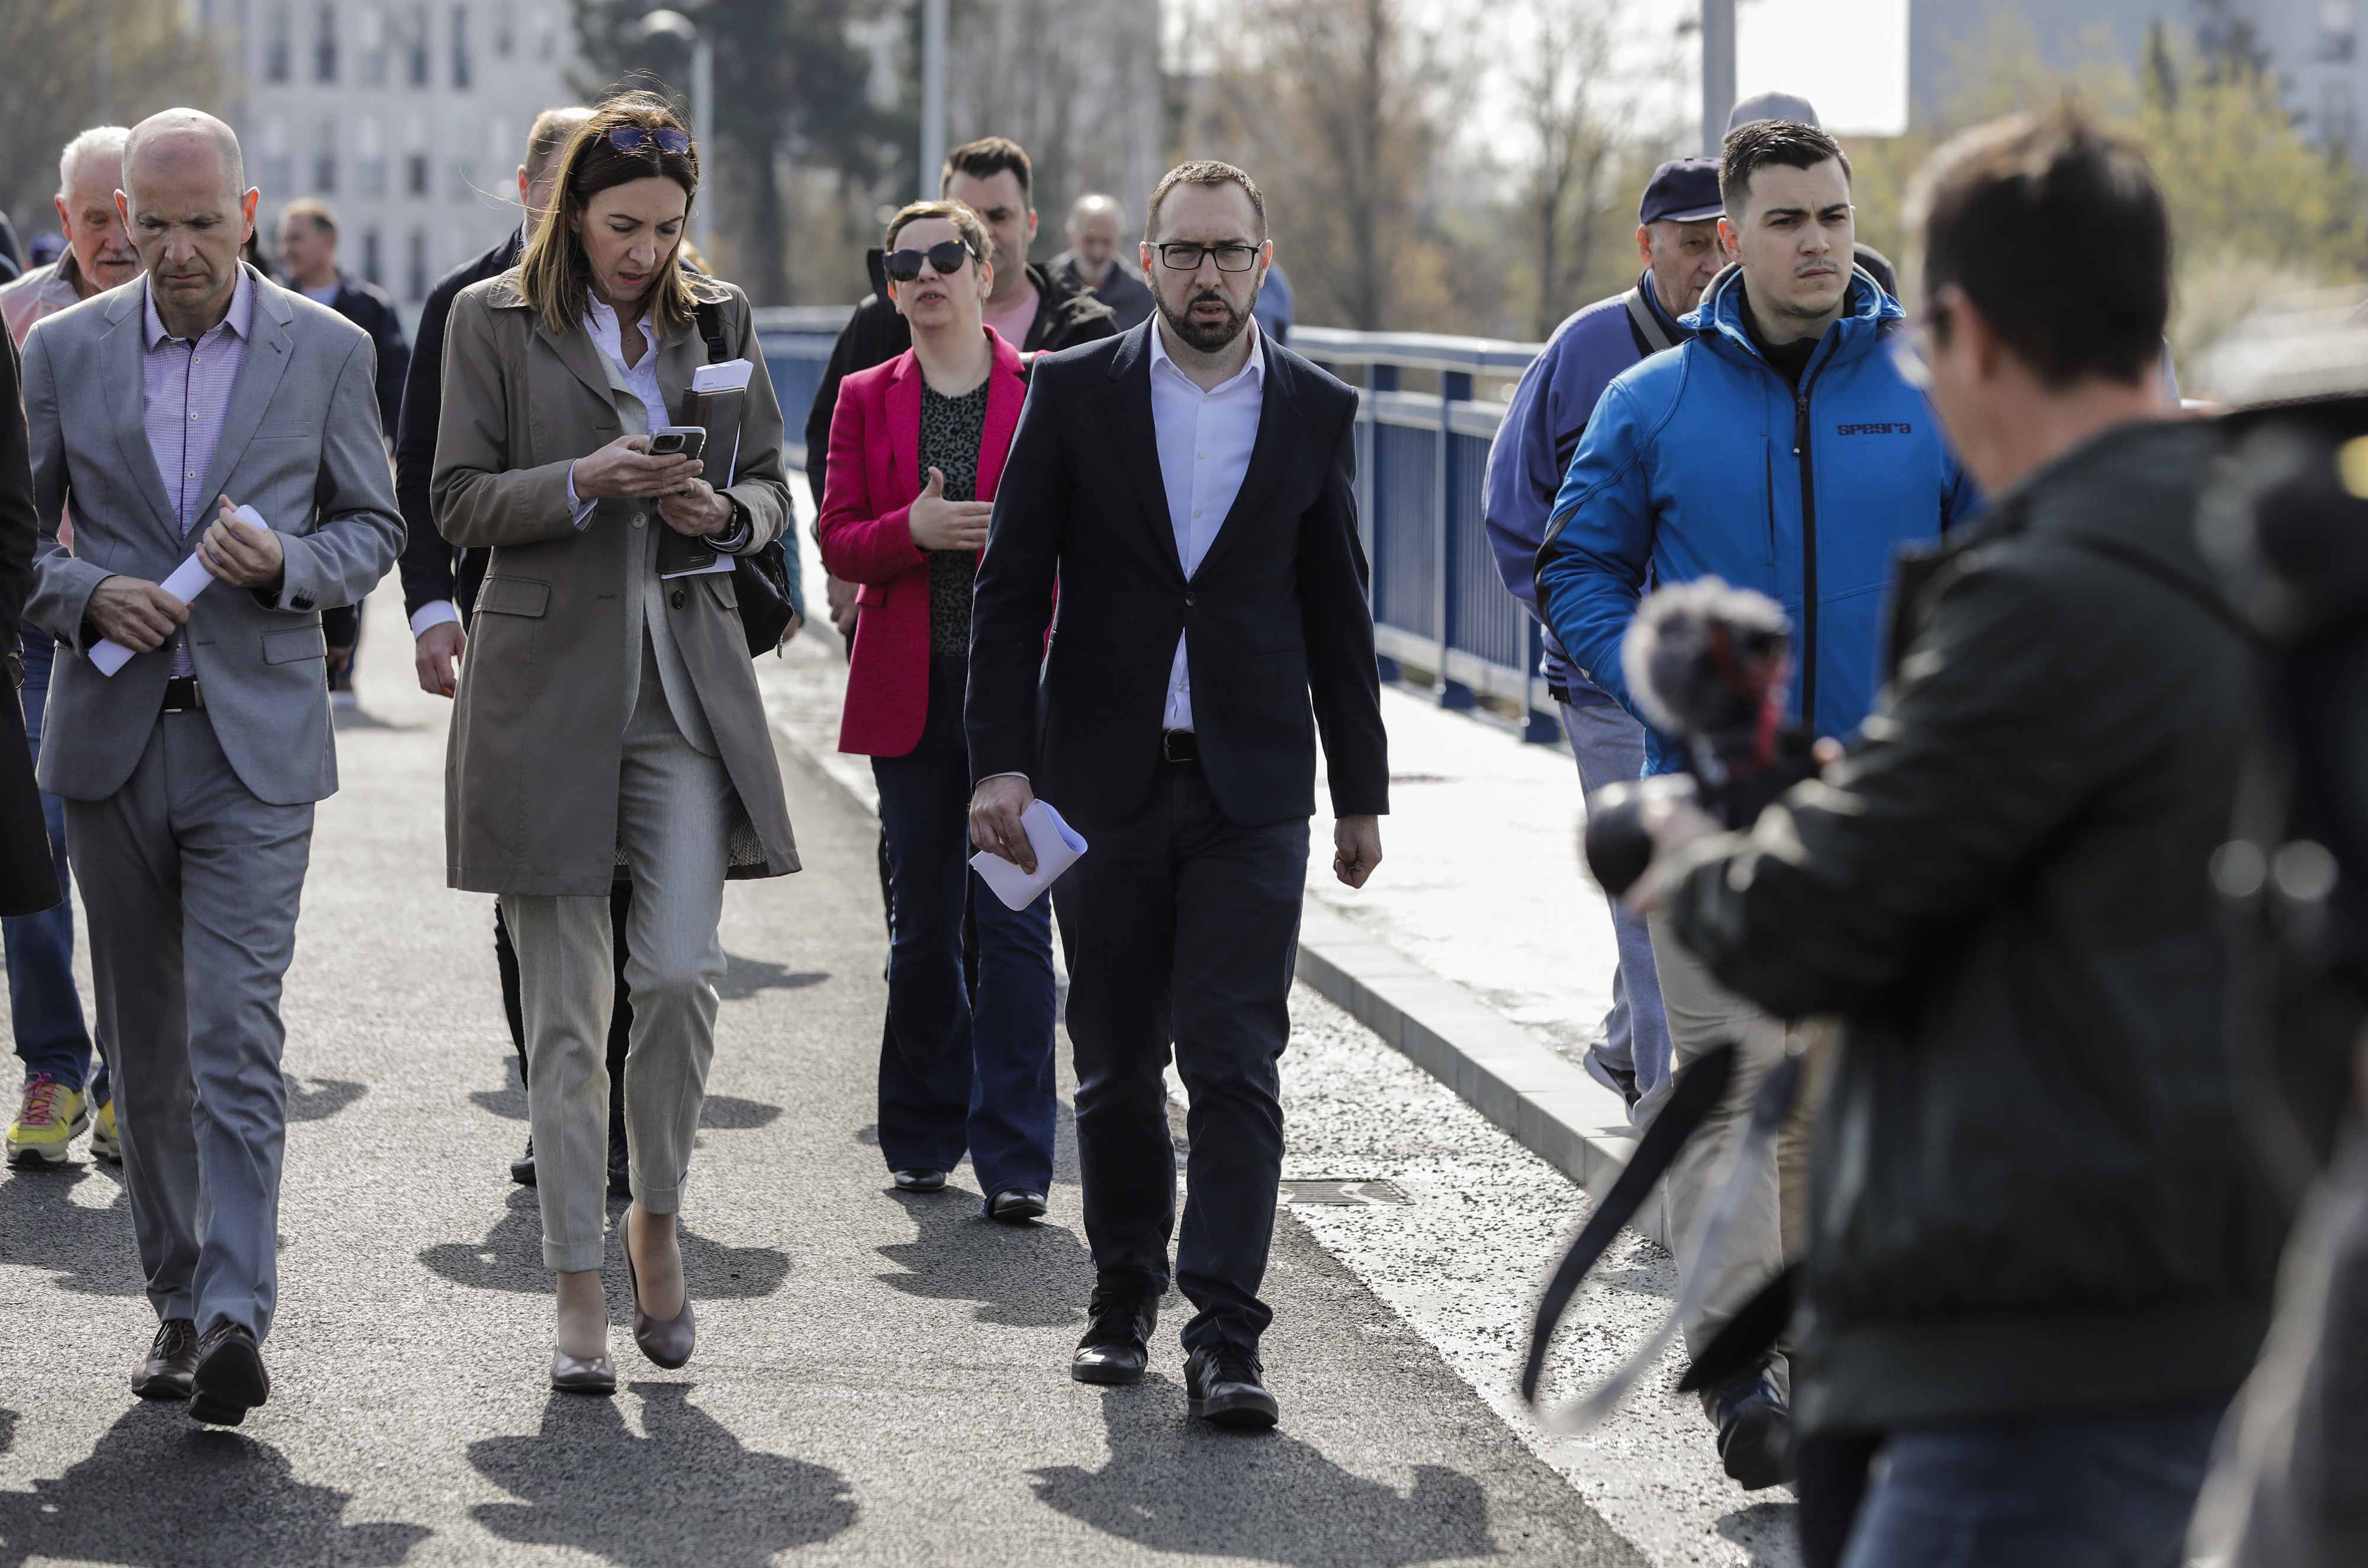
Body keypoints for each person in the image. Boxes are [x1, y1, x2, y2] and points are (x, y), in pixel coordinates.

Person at [1634, 106, 2282, 1566]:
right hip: (2247, 1284)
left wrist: (1688, 851)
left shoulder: (2041, 591)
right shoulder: (2263, 539)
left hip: (2049, 1340)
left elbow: (1813, 916)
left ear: (1967, 337)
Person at [1534, 117, 1980, 1487]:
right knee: (1728, 1084)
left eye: (1833, 216)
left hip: (1878, 809)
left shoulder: (1927, 387)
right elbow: (1576, 565)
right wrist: (1661, 689)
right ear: (1726, 239)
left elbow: (1998, 559)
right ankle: (1742, 1378)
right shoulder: (1651, 402)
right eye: (1785, 220)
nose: (1814, 243)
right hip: (1709, 813)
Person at [967, 161, 1389, 1430]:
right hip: (1098, 782)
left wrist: (1360, 792)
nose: (1207, 275)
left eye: (1230, 253)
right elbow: (1007, 587)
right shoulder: (1072, 393)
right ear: (1144, 262)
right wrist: (1000, 760)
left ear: (1264, 263)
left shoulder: (1314, 407)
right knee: (1109, 1062)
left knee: (1234, 1059)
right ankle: (1120, 1292)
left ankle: (1225, 1331)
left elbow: (1338, 611)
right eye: (1185, 252)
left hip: (1252, 785)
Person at [22, 108, 404, 1424]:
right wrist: (85, 593)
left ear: (249, 213)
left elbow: (374, 522)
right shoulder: (62, 351)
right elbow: (11, 544)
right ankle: (180, 1304)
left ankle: (240, 1310)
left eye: (202, 222)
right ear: (116, 217)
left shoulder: (330, 350)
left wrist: (290, 568)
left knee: (235, 1029)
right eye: (154, 223)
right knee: (146, 1045)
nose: (177, 249)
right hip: (110, 746)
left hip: (256, 745)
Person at [432, 94, 799, 1393]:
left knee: (686, 973)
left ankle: (655, 1219)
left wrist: (726, 509)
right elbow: (457, 497)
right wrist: (586, 479)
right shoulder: (489, 321)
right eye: (624, 226)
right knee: (569, 1013)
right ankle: (575, 1280)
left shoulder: (724, 316)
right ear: (571, 212)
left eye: (669, 227)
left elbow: (767, 485)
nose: (647, 252)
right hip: (544, 686)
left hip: (685, 687)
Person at [390, 105, 633, 1194]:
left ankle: (616, 1113)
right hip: (516, 630)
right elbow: (423, 476)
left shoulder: (660, 297)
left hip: (635, 635)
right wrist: (429, 607)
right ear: (532, 187)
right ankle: (557, 1101)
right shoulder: (467, 305)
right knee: (530, 890)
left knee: (629, 884)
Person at [818, 199, 1056, 1218]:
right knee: (922, 928)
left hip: (1020, 703)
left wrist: (1019, 547)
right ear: (889, 282)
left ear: (983, 268)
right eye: (903, 261)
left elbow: (1083, 545)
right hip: (909, 697)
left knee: (1013, 924)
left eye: (944, 257)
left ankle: (1015, 1161)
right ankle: (921, 1133)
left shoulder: (1041, 389)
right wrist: (910, 528)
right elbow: (837, 539)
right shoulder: (868, 397)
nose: (924, 274)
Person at [1481, 155, 1727, 1121]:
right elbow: (1512, 514)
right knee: (1659, 894)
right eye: (1693, 242)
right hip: (1605, 684)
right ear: (1648, 245)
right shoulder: (1584, 351)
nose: (1713, 261)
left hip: (1722, 685)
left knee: (1677, 893)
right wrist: (1588, 636)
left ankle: (1629, 1048)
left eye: (1725, 240)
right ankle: (1665, 1126)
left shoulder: (1748, 350)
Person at [1, 125, 138, 1169]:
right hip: (44, 632)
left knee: (133, 863)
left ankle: (130, 1080)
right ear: (64, 220)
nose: (119, 236)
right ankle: (54, 1065)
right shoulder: (15, 320)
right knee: (37, 854)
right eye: (96, 217)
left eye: (130, 214)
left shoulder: (197, 316)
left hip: (151, 635)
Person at [802, 137, 1115, 514]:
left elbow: (1109, 467)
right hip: (900, 568)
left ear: (1031, 225)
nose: (980, 232)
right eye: (964, 216)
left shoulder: (1086, 331)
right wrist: (857, 550)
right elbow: (829, 446)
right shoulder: (882, 319)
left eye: (999, 216)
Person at [271, 197, 407, 701]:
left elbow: (396, 379)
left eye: (296, 238)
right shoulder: (270, 302)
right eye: (283, 239)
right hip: (290, 452)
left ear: (328, 242)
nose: (286, 249)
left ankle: (342, 663)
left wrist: (394, 443)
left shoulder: (369, 306)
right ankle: (302, 662)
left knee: (351, 544)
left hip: (352, 449)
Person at [1050, 193, 1153, 331]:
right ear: (1072, 236)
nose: (1098, 252)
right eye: (1089, 241)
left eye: (1107, 242)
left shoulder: (1141, 295)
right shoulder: (1049, 286)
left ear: (1120, 238)